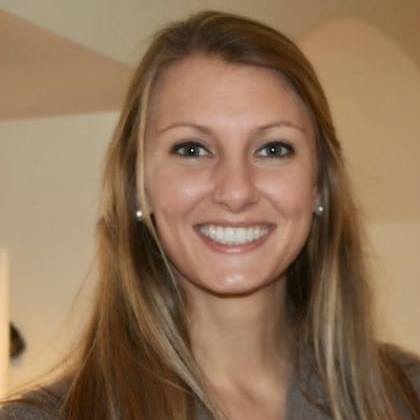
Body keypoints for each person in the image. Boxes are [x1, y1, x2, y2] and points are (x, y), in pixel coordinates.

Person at [1, 10, 419, 420]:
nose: (236, 192)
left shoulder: (408, 394)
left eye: (273, 149)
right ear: (138, 185)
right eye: (192, 149)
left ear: (319, 185)